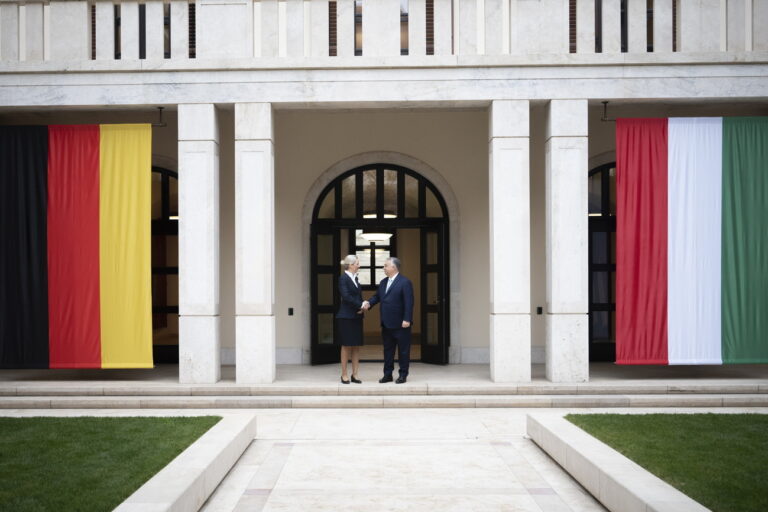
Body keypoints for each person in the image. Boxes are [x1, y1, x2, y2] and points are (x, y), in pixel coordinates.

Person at [362, 257, 414, 384]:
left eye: (386, 266)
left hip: (401, 324)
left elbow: (409, 303)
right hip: (386, 323)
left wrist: (407, 319)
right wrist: (368, 303)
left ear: (394, 267)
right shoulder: (384, 282)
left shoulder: (405, 282)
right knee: (388, 351)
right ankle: (388, 374)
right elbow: (377, 297)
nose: (383, 268)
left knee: (403, 351)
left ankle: (403, 375)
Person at [336, 254, 365, 384]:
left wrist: (362, 307)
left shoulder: (355, 278)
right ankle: (344, 374)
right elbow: (346, 296)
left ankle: (355, 374)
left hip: (357, 316)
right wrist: (360, 305)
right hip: (346, 316)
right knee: (346, 346)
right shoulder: (343, 278)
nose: (359, 266)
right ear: (351, 265)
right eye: (357, 263)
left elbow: (358, 296)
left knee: (356, 346)